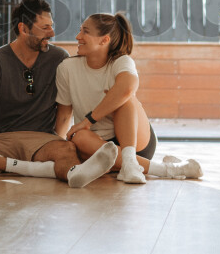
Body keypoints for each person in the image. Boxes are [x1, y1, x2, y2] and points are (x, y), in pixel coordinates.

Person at [0, 0, 118, 188]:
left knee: (67, 150)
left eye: (51, 26)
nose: (52, 33)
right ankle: (40, 169)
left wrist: (61, 140)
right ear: (23, 28)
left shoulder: (59, 58)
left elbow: (65, 108)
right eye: (45, 28)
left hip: (42, 140)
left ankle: (71, 173)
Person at [58, 12, 203, 184]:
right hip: (96, 145)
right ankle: (161, 169)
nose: (78, 36)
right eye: (79, 30)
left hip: (136, 143)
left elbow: (127, 88)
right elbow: (65, 115)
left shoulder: (121, 61)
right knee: (79, 137)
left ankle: (130, 162)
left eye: (85, 32)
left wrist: (88, 121)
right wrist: (58, 148)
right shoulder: (67, 68)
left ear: (104, 40)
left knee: (124, 99)